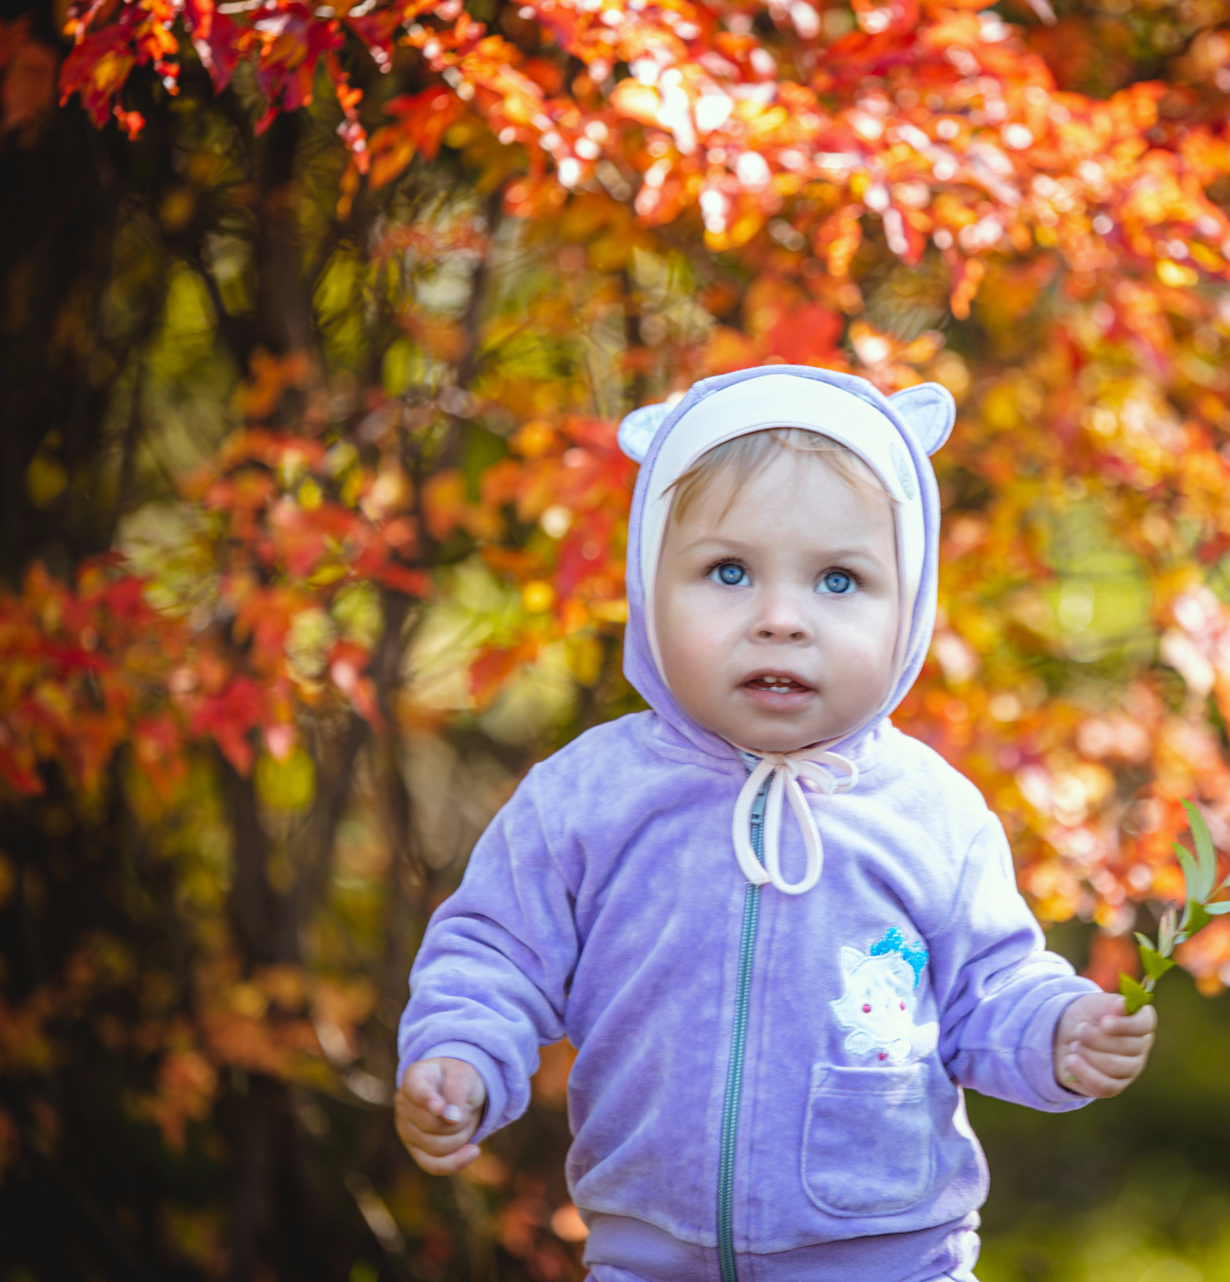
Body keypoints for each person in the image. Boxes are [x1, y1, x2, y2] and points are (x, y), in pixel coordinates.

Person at [395, 365, 1157, 1282]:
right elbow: (497, 952)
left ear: (910, 607)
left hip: (889, 1260)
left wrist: (1058, 1033)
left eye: (839, 579)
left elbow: (990, 987)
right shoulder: (588, 797)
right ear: (648, 586)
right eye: (728, 572)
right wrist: (461, 1052)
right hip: (648, 1256)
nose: (781, 620)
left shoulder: (931, 810)